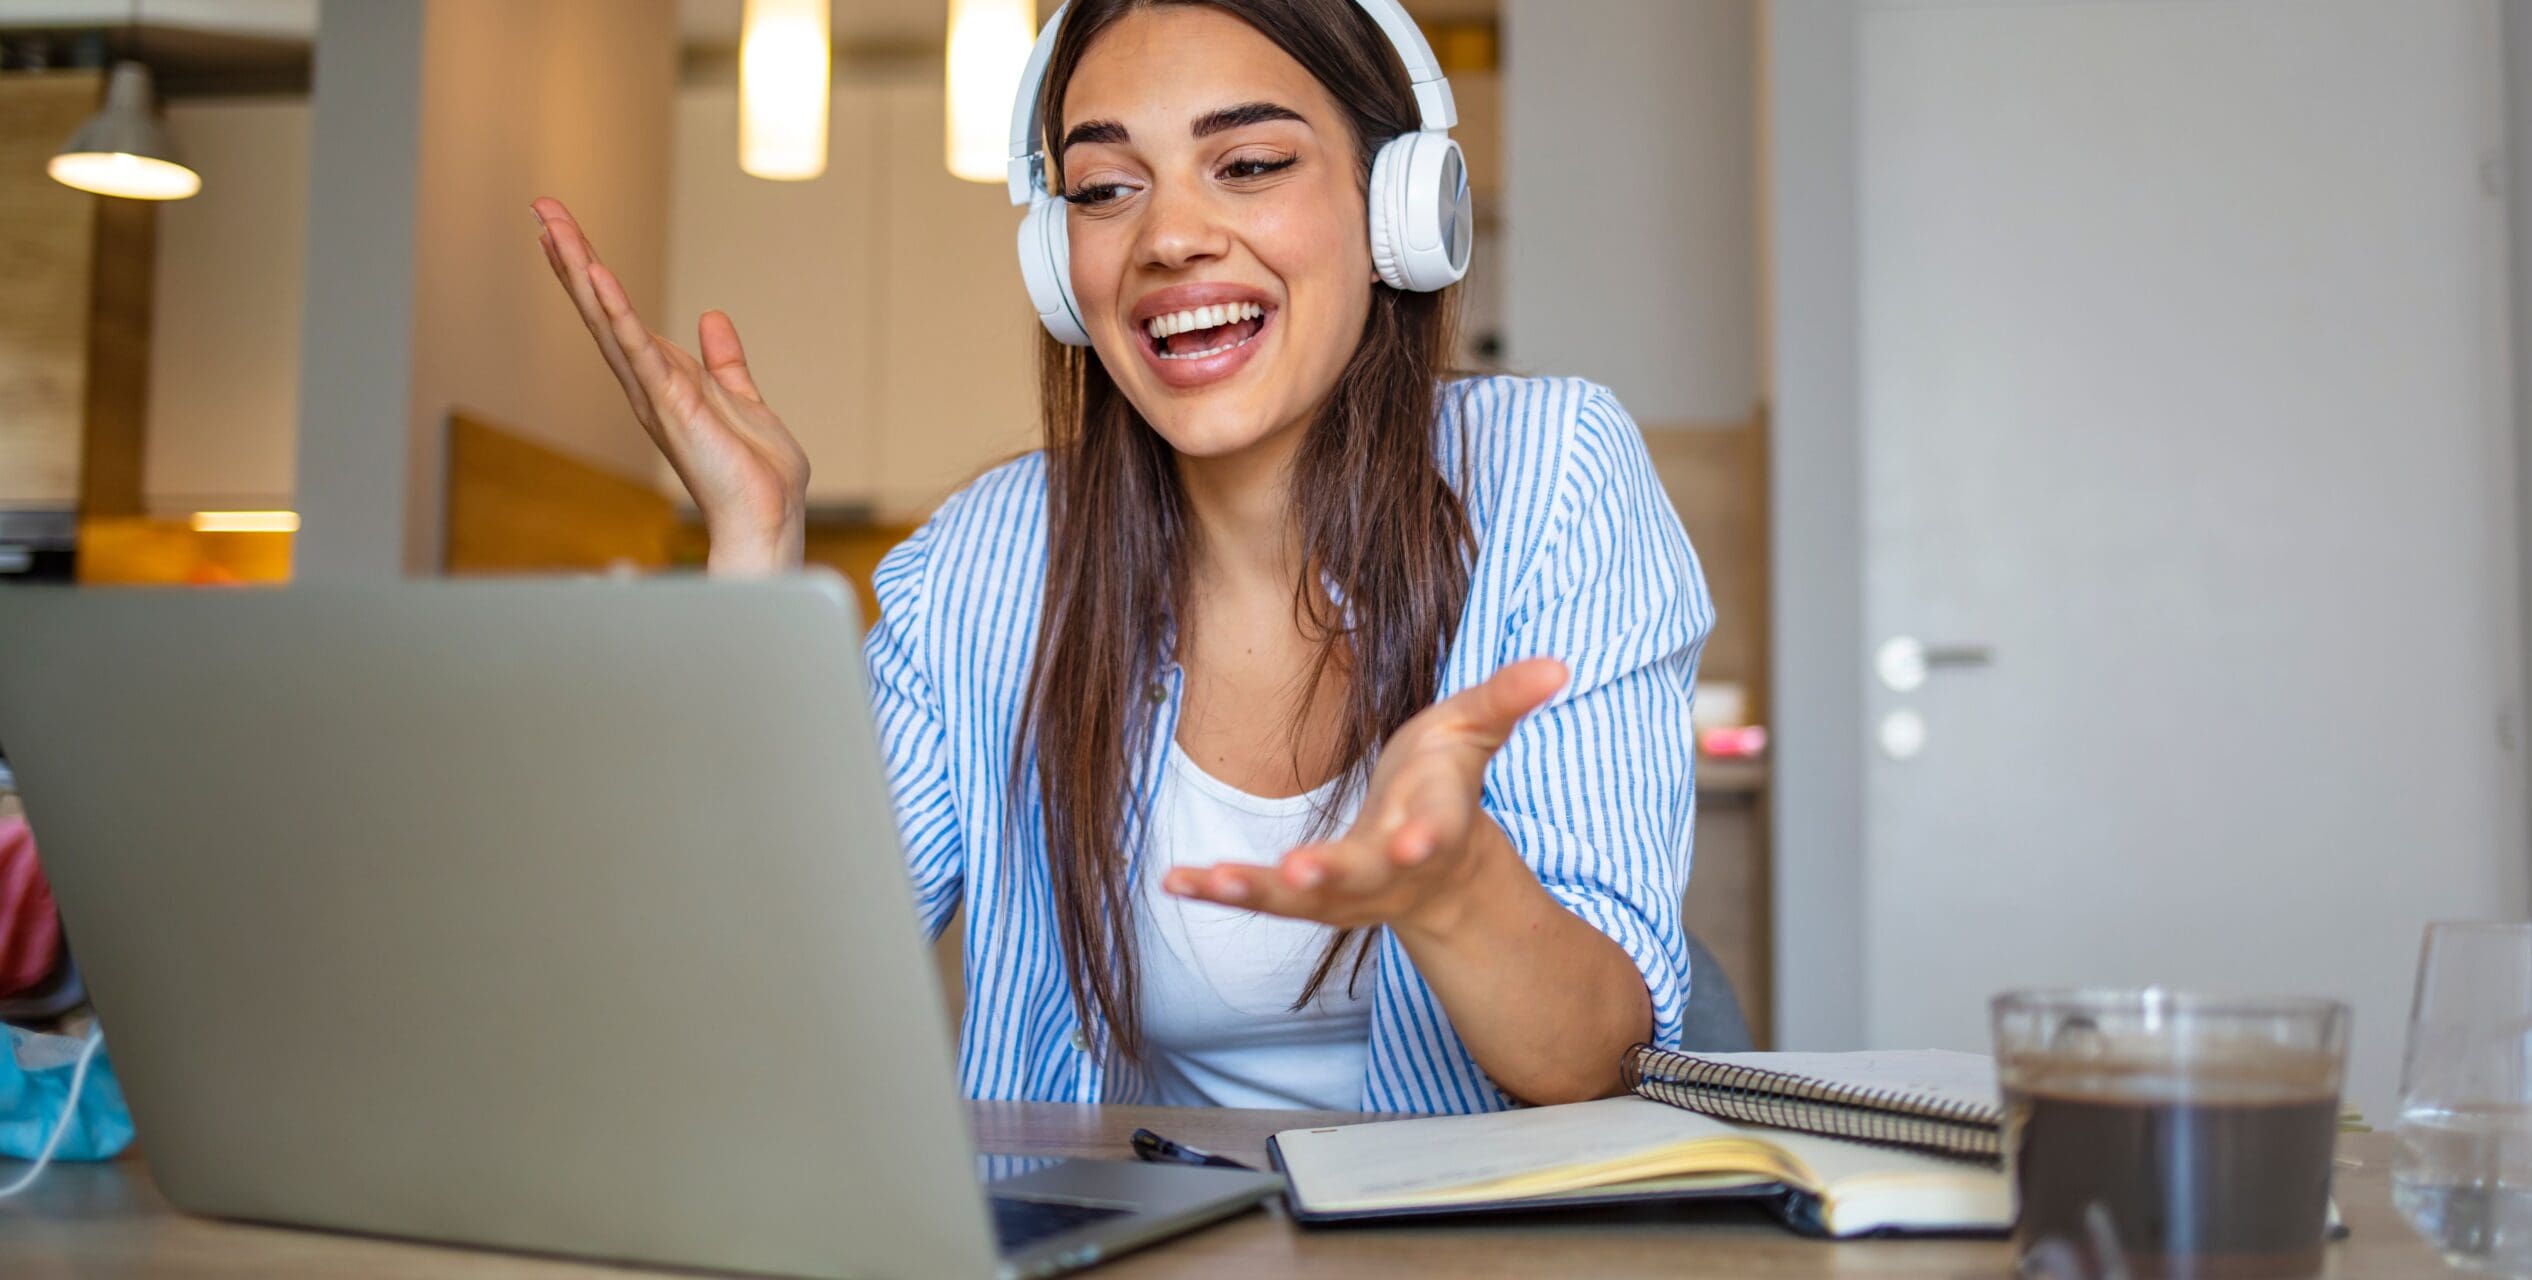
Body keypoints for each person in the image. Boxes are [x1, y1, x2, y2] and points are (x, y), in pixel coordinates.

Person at [531, 0, 1709, 1113]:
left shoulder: (1551, 475)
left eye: (1248, 164)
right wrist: (755, 550)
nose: (1170, 238)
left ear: (1395, 203)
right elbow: (777, 988)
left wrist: (1458, 891)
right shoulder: (985, 565)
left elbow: (1598, 1056)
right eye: (1104, 188)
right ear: (1058, 263)